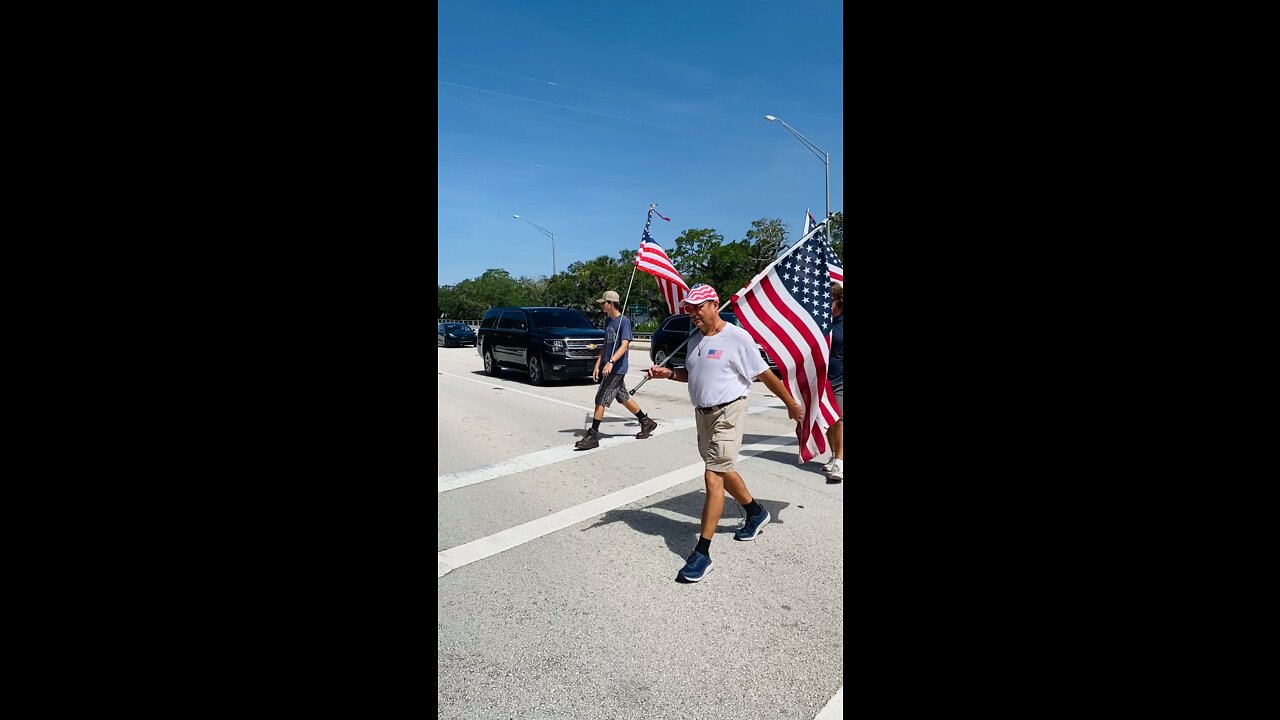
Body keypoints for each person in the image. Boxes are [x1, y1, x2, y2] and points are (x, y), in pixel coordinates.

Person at [644, 284, 803, 582]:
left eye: (698, 307)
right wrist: (669, 373)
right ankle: (756, 513)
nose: (692, 313)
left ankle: (702, 553)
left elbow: (765, 374)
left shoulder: (737, 337)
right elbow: (691, 374)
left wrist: (791, 404)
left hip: (728, 412)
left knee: (713, 475)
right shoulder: (695, 338)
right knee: (723, 467)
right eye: (689, 308)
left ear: (714, 304)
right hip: (702, 415)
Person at [574, 290, 658, 450]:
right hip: (608, 366)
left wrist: (611, 362)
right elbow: (606, 345)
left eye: (603, 302)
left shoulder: (624, 322)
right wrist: (598, 364)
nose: (601, 305)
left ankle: (593, 436)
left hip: (617, 368)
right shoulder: (609, 322)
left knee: (601, 399)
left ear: (611, 303)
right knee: (623, 397)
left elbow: (625, 345)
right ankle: (646, 422)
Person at [822, 284, 844, 482]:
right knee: (829, 421)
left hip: (841, 379)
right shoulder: (822, 321)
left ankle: (839, 462)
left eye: (828, 300)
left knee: (838, 420)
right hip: (824, 379)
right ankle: (833, 454)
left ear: (838, 301)